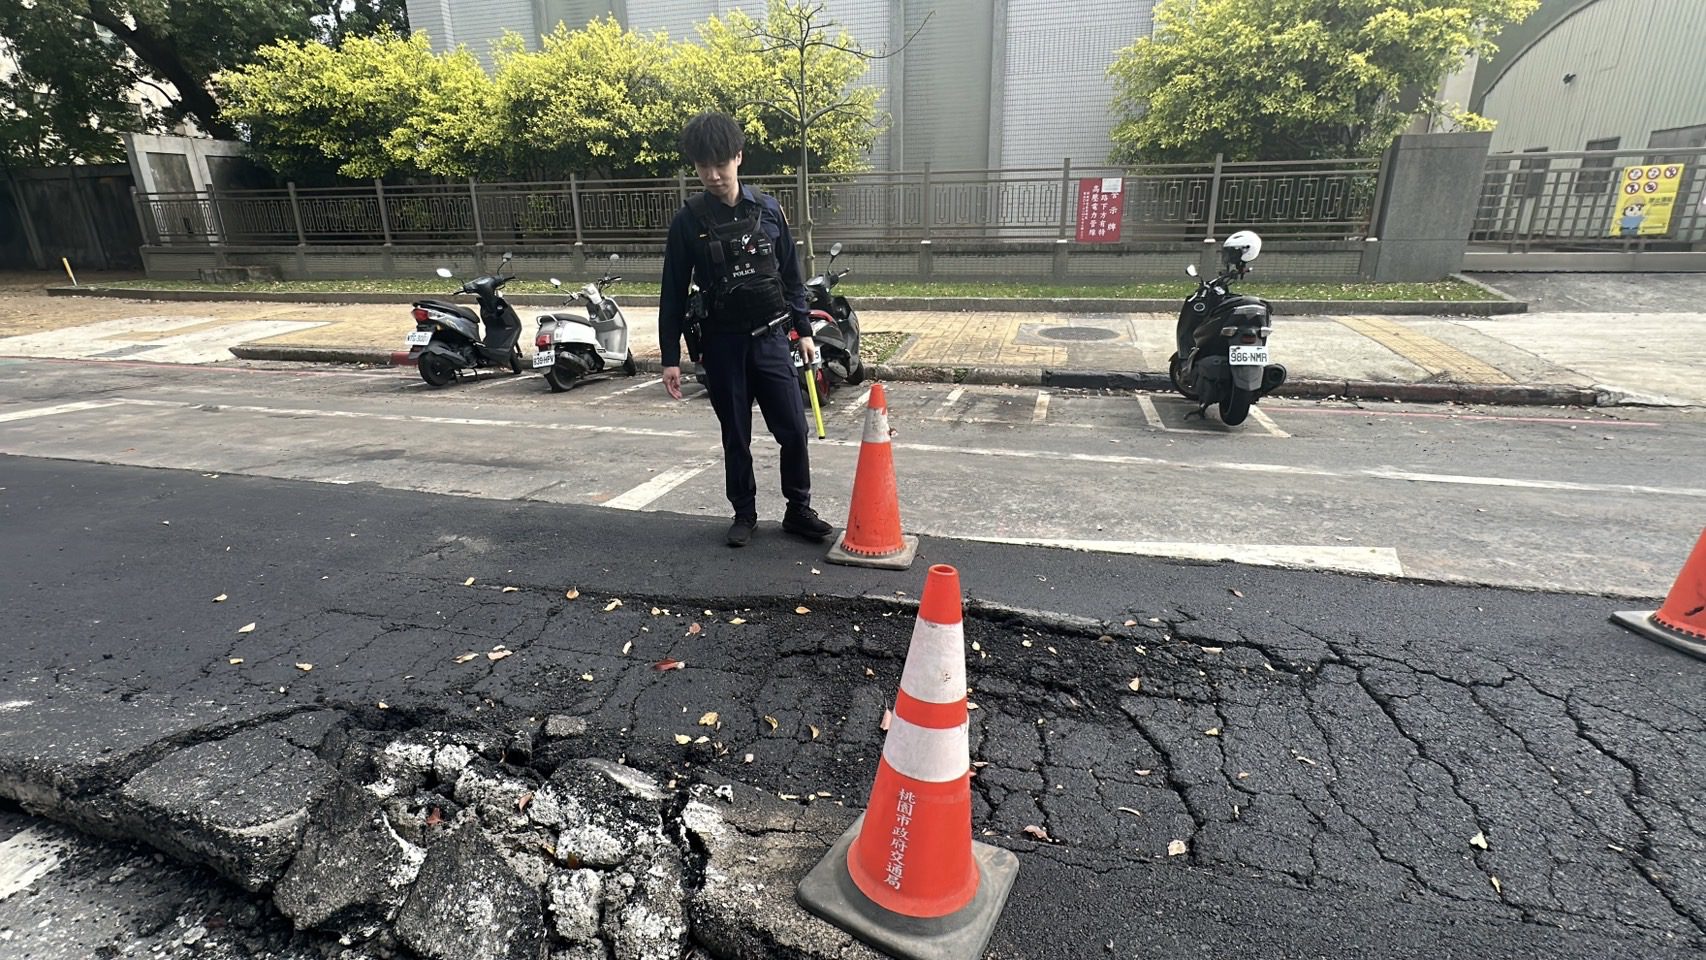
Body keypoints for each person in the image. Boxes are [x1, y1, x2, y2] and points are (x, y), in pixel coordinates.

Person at [658, 112, 835, 548]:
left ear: (738, 157)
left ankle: (798, 509)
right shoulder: (688, 221)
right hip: (722, 345)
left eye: (721, 163)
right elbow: (673, 293)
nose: (714, 175)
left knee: (794, 428)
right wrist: (669, 358)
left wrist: (805, 331)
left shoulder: (769, 210)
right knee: (735, 433)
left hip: (772, 338)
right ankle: (744, 513)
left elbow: (791, 277)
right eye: (703, 167)